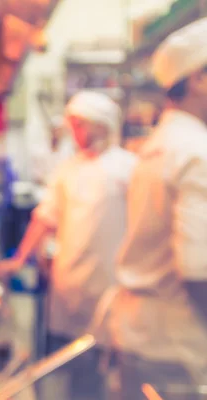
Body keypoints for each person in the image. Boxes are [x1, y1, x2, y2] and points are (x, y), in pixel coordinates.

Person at [0, 90, 138, 400]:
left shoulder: (129, 169)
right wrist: (20, 258)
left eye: (80, 125)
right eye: (73, 125)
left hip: (109, 286)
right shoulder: (67, 170)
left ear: (101, 125)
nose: (75, 133)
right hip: (67, 284)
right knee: (65, 366)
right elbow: (44, 219)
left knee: (104, 369)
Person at [110, 17, 207, 399]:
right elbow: (200, 272)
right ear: (199, 80)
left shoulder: (161, 143)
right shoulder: (196, 152)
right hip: (180, 346)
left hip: (143, 335)